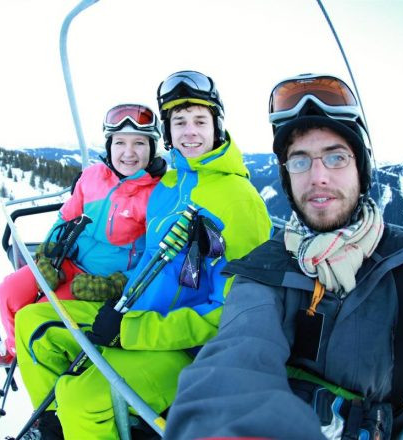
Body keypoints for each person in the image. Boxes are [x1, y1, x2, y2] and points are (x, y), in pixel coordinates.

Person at [14, 70, 273, 439]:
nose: (190, 132)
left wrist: (131, 331)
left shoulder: (239, 200)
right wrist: (118, 297)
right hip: (136, 315)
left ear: (217, 125)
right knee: (33, 326)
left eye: (200, 120)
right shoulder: (168, 184)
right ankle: (54, 430)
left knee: (79, 396)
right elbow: (149, 259)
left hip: (188, 351)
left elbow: (233, 314)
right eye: (179, 122)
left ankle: (79, 420)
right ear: (168, 132)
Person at [163, 73, 403, 440]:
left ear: (362, 166)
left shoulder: (400, 260)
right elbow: (237, 355)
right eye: (300, 161)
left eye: (336, 157)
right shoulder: (265, 269)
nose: (318, 177)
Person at [0, 102, 165, 367]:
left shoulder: (157, 196)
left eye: (139, 143)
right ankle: (15, 349)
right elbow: (65, 218)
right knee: (7, 293)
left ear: (152, 148)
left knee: (38, 314)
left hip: (101, 279)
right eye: (120, 142)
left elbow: (154, 257)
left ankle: (41, 358)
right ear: (110, 145)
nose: (128, 153)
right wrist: (47, 254)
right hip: (67, 261)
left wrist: (116, 285)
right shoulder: (92, 177)